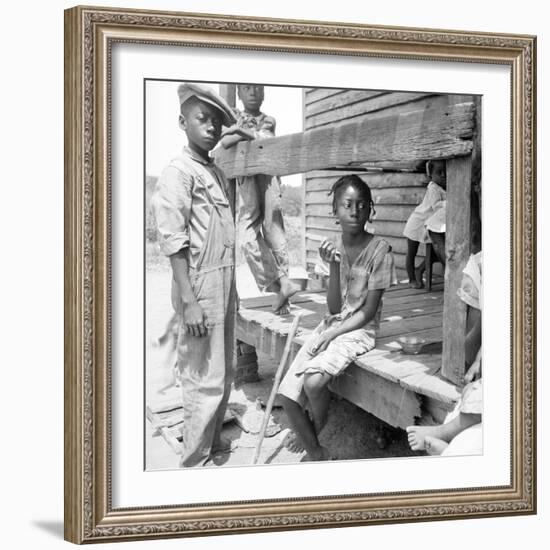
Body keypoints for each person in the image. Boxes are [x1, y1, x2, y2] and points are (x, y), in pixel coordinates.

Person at [277, 175, 397, 461]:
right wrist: (332, 265)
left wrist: (331, 335)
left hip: (360, 330)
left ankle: (319, 427)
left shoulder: (381, 251)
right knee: (286, 397)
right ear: (335, 210)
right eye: (347, 204)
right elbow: (332, 309)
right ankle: (318, 452)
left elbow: (368, 312)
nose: (355, 211)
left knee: (314, 381)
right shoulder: (332, 246)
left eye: (362, 205)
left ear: (370, 210)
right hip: (331, 324)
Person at [152, 82, 238, 467]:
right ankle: (194, 460)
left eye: (217, 122)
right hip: (199, 284)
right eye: (203, 119)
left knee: (222, 370)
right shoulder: (178, 172)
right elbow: (173, 241)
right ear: (182, 121)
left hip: (224, 280)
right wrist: (188, 300)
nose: (211, 128)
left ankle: (212, 442)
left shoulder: (214, 171)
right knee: (200, 374)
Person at [220, 84, 299, 313]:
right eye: (247, 89)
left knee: (274, 232)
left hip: (268, 177)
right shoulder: (235, 115)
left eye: (257, 89)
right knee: (247, 236)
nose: (253, 92)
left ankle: (285, 296)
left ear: (264, 93)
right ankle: (281, 284)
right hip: (247, 177)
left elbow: (265, 138)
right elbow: (224, 142)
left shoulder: (268, 119)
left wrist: (239, 131)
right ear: (239, 94)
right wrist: (236, 131)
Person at [406, 251, 482, 455]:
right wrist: (478, 360)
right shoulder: (480, 265)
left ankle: (442, 436)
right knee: (475, 397)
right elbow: (472, 347)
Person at [402, 159, 447, 287]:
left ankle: (420, 270)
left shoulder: (444, 188)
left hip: (427, 224)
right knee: (412, 252)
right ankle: (411, 279)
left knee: (436, 251)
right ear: (431, 175)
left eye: (445, 172)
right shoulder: (433, 187)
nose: (443, 175)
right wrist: (451, 201)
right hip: (416, 223)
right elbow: (436, 206)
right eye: (439, 172)